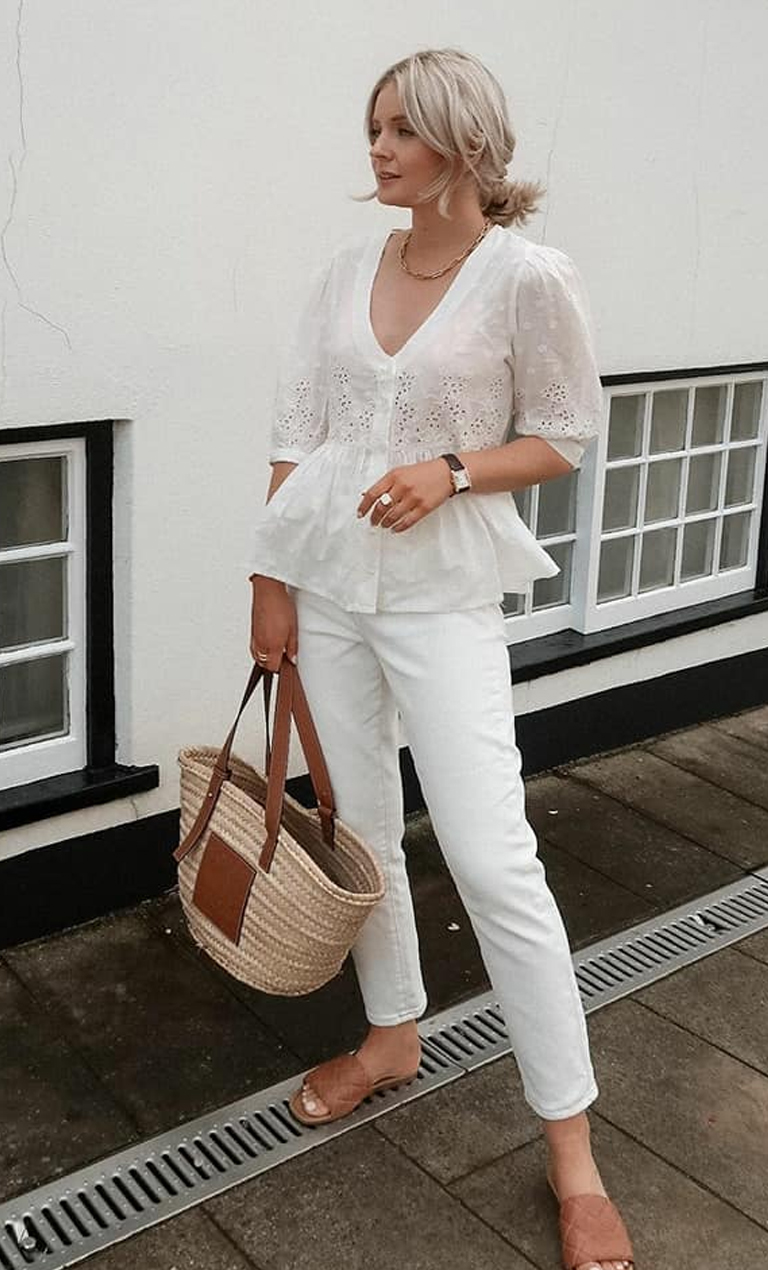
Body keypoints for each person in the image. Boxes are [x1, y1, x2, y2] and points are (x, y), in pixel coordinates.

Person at [248, 47, 634, 1270]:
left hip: (441, 601)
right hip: (329, 590)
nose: (378, 148)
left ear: (464, 142)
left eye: (402, 129)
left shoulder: (527, 276)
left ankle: (573, 1149)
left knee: (492, 858)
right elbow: (298, 432)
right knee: (359, 831)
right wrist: (269, 583)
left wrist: (454, 470)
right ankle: (391, 1033)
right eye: (373, 126)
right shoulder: (342, 272)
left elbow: (565, 434)